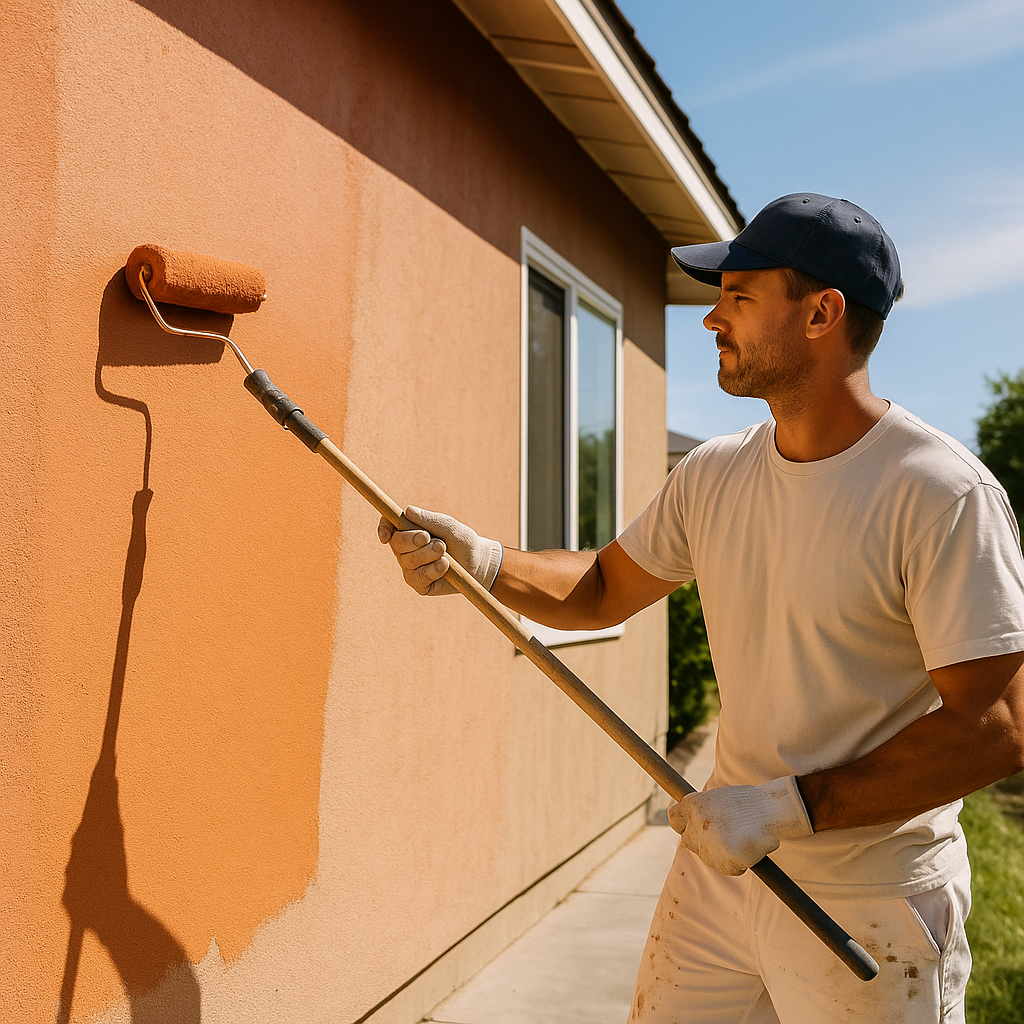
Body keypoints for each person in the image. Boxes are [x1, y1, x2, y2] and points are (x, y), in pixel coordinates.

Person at [378, 194, 1024, 1022]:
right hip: (721, 876)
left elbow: (999, 725)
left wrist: (790, 806)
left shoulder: (937, 494)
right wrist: (485, 562)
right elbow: (605, 587)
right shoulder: (715, 474)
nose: (714, 318)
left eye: (740, 297)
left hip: (870, 898)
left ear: (823, 313)